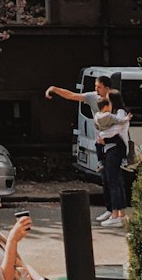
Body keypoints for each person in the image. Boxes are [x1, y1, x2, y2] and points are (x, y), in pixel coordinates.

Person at [46, 73, 130, 227]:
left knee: (114, 180)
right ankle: (111, 209)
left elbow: (120, 126)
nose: (96, 90)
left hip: (112, 145)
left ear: (107, 88)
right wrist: (54, 89)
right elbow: (72, 96)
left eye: (99, 87)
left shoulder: (116, 106)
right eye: (95, 87)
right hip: (102, 145)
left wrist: (104, 135)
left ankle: (118, 214)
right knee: (106, 179)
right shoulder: (93, 98)